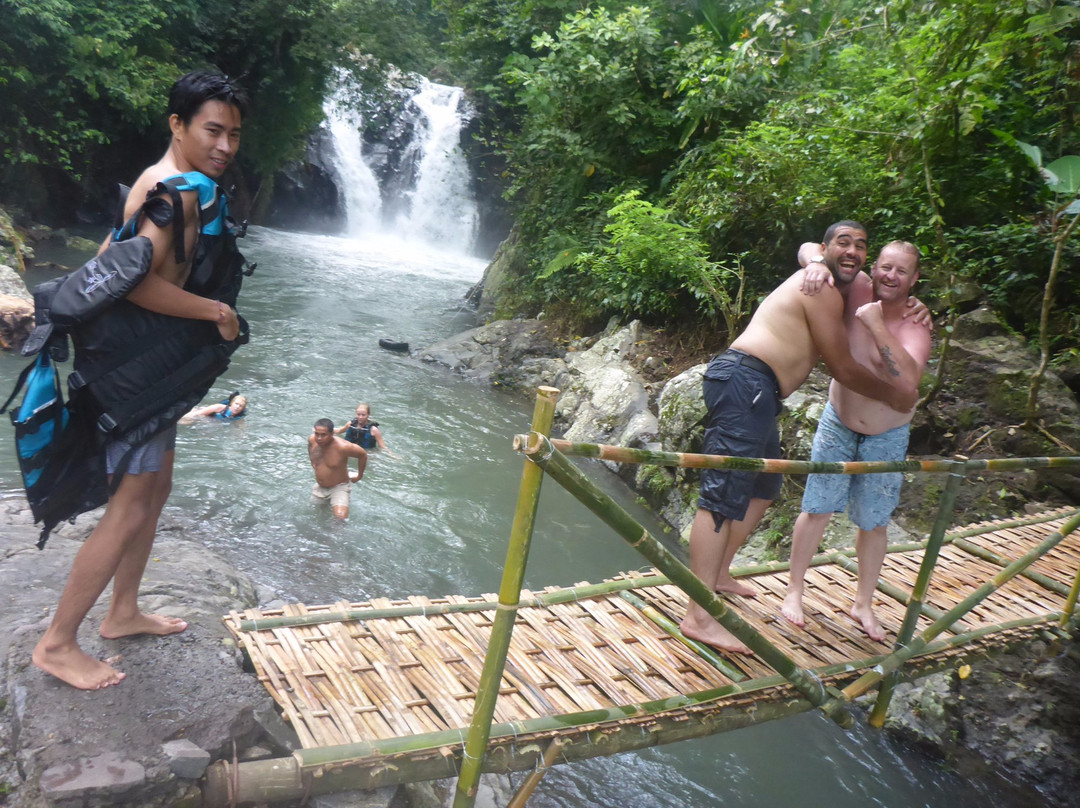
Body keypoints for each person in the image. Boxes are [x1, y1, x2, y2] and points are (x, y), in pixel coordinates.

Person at [31, 71, 247, 690]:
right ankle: (57, 642)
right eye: (212, 130)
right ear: (177, 124)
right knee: (130, 505)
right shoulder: (175, 193)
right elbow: (138, 280)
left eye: (233, 134)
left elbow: (108, 259)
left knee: (154, 491)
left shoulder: (165, 185)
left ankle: (123, 612)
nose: (225, 146)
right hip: (132, 373)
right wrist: (217, 313)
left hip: (144, 365)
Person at [678, 220, 919, 654]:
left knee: (765, 485)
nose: (852, 251)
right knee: (722, 493)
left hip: (759, 392)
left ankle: (717, 574)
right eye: (842, 243)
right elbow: (842, 368)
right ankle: (698, 615)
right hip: (744, 381)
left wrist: (812, 257)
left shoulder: (843, 280)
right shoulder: (821, 288)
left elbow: (814, 250)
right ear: (827, 249)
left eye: (860, 246)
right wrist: (899, 395)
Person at [781, 241, 932, 642]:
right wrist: (814, 263)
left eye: (901, 271)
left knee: (874, 521)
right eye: (885, 267)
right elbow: (812, 247)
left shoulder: (917, 327)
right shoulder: (859, 286)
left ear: (915, 280)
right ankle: (794, 589)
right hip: (839, 420)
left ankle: (863, 603)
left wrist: (876, 323)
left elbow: (908, 383)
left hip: (888, 433)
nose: (890, 276)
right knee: (817, 507)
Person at [309, 418, 368, 519]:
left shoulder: (343, 447)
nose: (319, 438)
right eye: (317, 434)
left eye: (323, 435)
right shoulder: (312, 440)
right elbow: (310, 447)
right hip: (320, 486)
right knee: (315, 516)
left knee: (340, 518)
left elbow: (363, 454)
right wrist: (313, 462)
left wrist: (359, 475)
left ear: (332, 434)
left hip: (339, 486)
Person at [181, 392, 247, 422]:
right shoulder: (220, 407)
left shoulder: (239, 417)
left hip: (213, 420)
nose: (237, 407)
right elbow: (198, 414)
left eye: (240, 406)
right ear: (232, 403)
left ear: (242, 409)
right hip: (199, 413)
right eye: (236, 404)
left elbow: (241, 428)